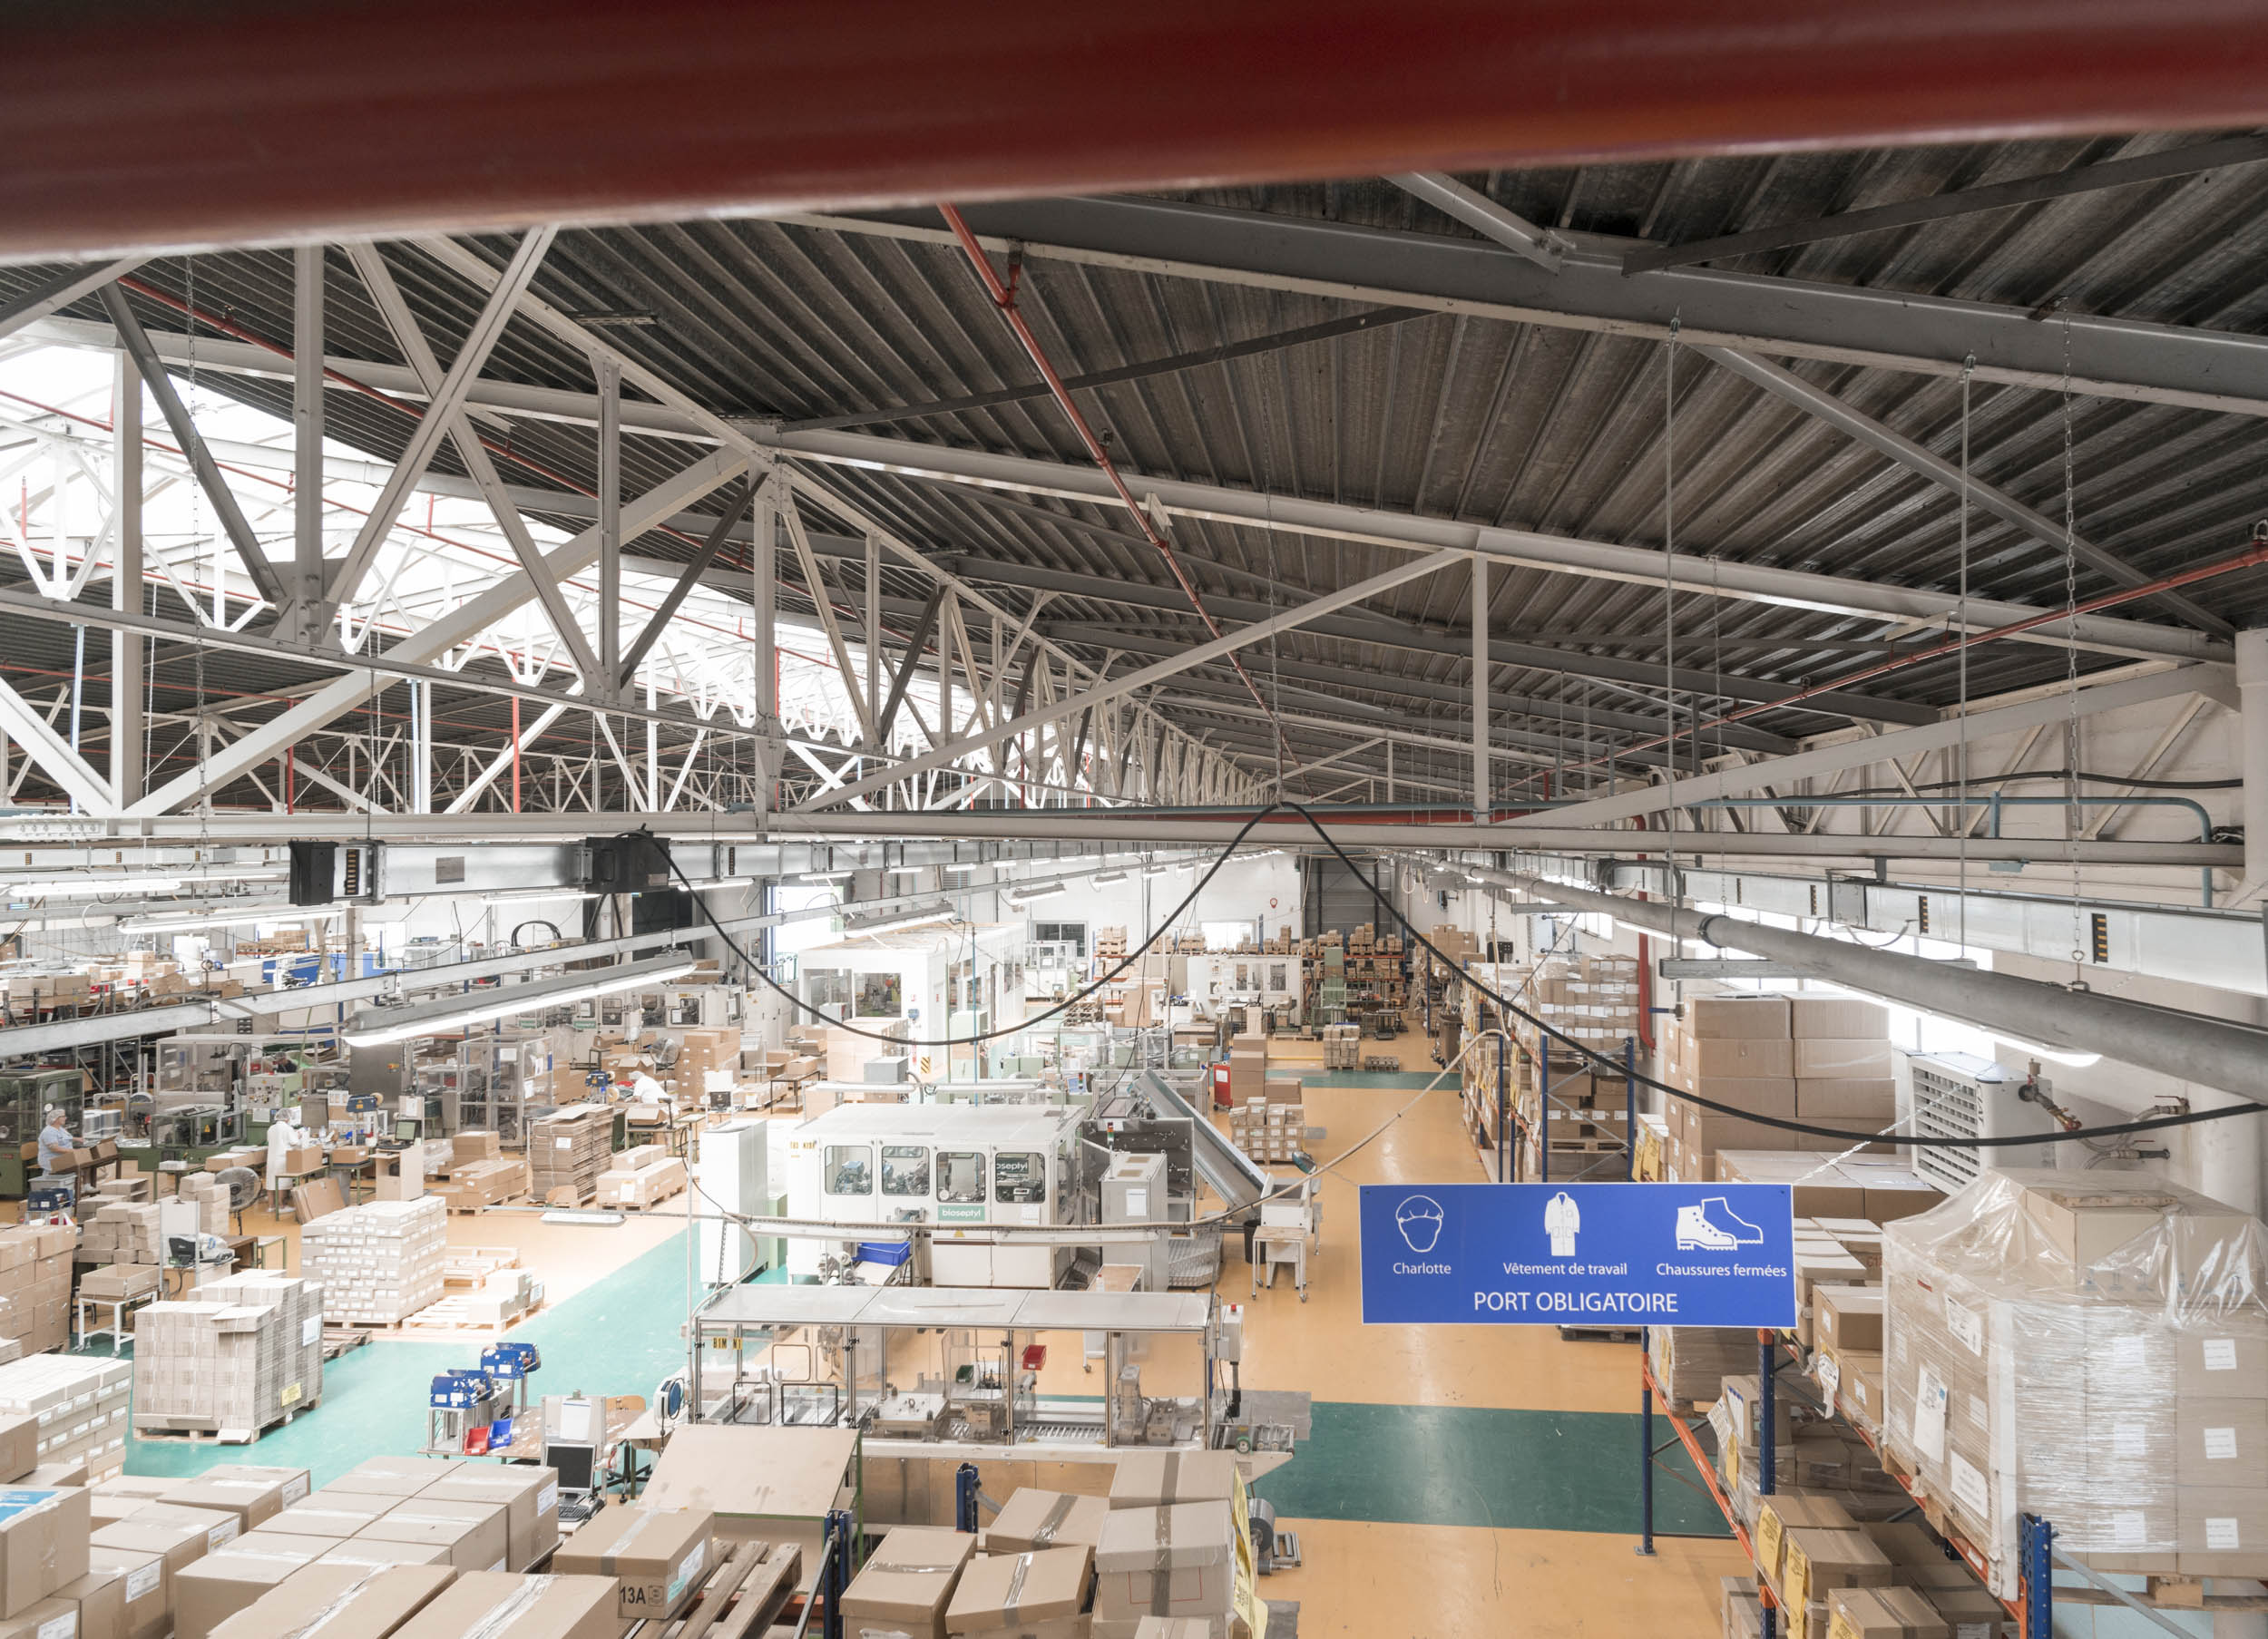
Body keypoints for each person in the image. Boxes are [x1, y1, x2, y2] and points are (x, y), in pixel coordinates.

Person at [265, 1109, 305, 1192]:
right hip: (282, 1159)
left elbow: (270, 1141)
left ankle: (271, 1205)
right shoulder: (287, 1128)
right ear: (287, 1119)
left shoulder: (271, 1128)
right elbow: (295, 1143)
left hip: (271, 1159)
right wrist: (298, 1136)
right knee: (282, 1184)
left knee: (270, 1183)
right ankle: (281, 1205)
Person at [35, 1109, 76, 1177]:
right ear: (55, 1119)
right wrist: (72, 1151)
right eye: (63, 1116)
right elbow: (55, 1149)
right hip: (51, 1160)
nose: (65, 1118)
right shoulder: (48, 1132)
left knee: (85, 1164)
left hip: (62, 1157)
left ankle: (85, 1185)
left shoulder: (60, 1129)